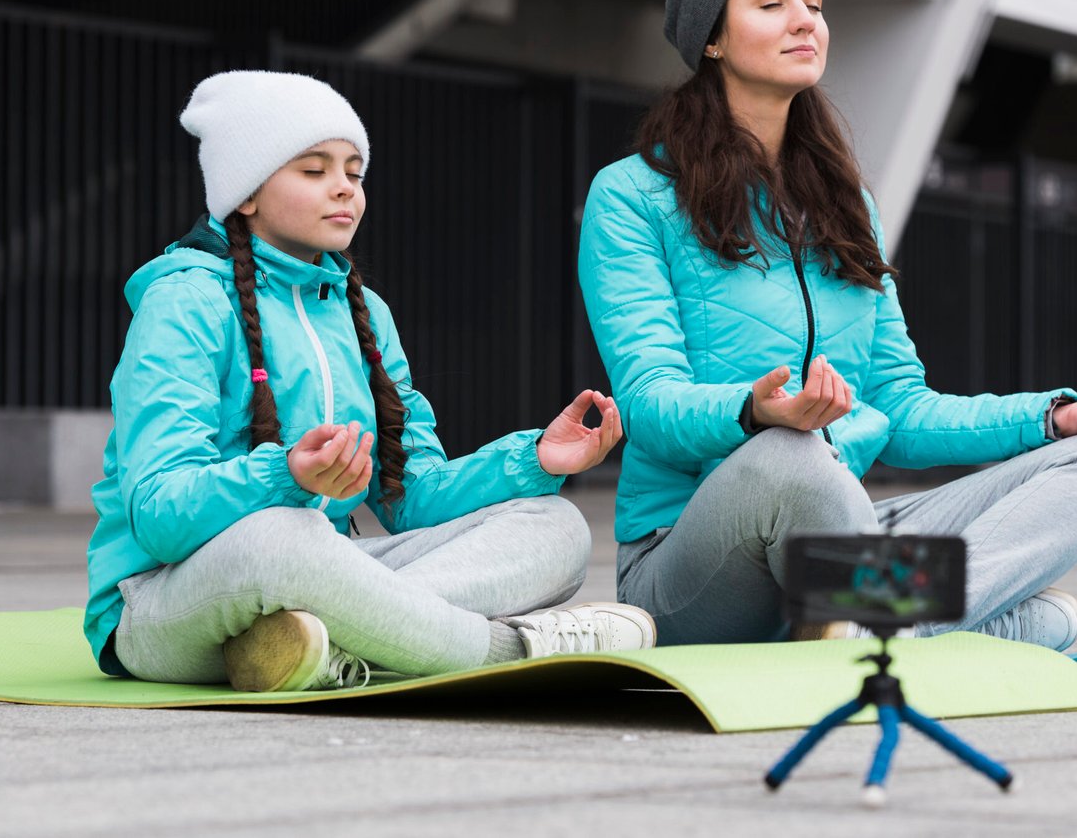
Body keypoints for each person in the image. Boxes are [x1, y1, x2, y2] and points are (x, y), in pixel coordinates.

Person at [578, 0, 1077, 650]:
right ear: (711, 39)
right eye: (771, 4)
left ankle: (874, 621)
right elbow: (648, 404)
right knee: (791, 457)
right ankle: (938, 621)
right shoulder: (633, 196)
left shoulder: (844, 203)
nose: (805, 19)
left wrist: (1058, 419)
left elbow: (899, 406)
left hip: (838, 543)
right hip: (692, 559)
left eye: (814, 2)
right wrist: (757, 412)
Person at [85, 70, 655, 693]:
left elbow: (413, 499)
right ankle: (510, 649)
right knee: (284, 535)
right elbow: (158, 514)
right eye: (314, 170)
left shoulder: (365, 313)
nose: (345, 190)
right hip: (167, 601)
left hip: (316, 588)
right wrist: (283, 477)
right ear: (245, 193)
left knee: (556, 525)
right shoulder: (185, 301)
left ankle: (328, 647)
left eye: (354, 172)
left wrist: (533, 459)